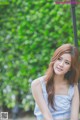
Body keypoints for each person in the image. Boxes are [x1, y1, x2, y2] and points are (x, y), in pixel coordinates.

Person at [31, 44, 80, 120]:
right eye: (59, 59)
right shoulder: (37, 84)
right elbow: (47, 116)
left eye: (67, 63)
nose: (61, 64)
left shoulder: (73, 87)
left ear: (70, 68)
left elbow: (74, 117)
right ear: (54, 59)